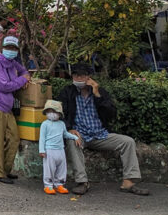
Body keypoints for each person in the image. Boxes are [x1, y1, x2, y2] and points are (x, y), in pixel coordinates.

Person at [59, 62, 150, 196]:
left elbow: (111, 113)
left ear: (88, 77)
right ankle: (82, 182)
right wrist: (69, 129)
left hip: (100, 134)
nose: (78, 79)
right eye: (76, 75)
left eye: (82, 76)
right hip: (80, 134)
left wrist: (97, 94)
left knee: (128, 141)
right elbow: (60, 113)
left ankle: (128, 182)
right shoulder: (67, 92)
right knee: (72, 142)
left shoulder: (100, 92)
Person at [0, 34, 30, 183]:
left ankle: (6, 170)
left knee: (14, 138)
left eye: (14, 48)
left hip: (6, 107)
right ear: (2, 48)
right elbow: (4, 86)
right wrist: (22, 80)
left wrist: (25, 76)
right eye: (8, 47)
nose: (11, 50)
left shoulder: (12, 63)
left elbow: (24, 72)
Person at [39, 99, 78, 195]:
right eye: (50, 111)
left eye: (55, 111)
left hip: (60, 149)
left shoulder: (61, 124)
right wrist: (41, 150)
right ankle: (48, 185)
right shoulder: (45, 124)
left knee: (62, 168)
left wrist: (75, 137)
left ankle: (59, 184)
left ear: (59, 113)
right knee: (49, 168)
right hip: (49, 150)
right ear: (46, 112)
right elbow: (42, 138)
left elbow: (65, 134)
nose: (52, 113)